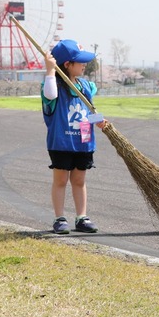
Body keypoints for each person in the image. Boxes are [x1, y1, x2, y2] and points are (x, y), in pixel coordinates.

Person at [41, 39, 108, 235]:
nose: (84, 65)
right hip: (62, 142)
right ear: (67, 65)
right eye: (79, 62)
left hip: (83, 141)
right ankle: (60, 218)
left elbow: (88, 110)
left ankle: (82, 217)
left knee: (79, 180)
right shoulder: (53, 86)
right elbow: (51, 95)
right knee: (61, 180)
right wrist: (50, 70)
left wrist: (99, 120)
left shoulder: (86, 86)